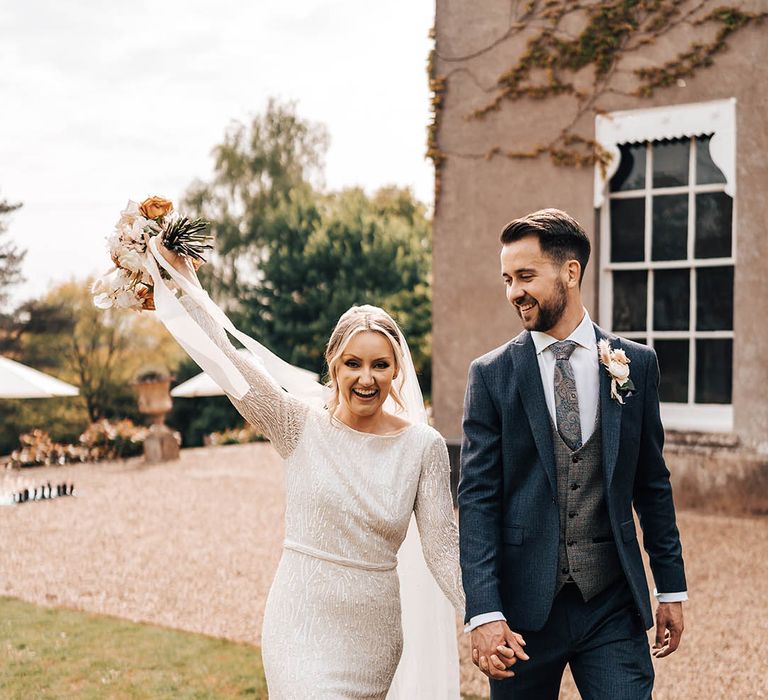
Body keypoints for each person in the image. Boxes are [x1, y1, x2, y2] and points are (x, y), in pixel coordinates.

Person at [150, 241, 465, 699]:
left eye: (380, 365)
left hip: (372, 635)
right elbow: (232, 367)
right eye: (353, 363)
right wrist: (183, 284)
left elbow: (440, 546)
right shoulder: (296, 424)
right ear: (333, 365)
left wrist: (482, 616)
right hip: (299, 624)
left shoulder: (423, 446)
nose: (366, 378)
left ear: (397, 370)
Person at [459, 208, 687, 699]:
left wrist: (670, 588)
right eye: (507, 279)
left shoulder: (636, 365)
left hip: (610, 604)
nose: (513, 291)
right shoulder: (491, 374)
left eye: (525, 276)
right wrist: (483, 611)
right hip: (521, 617)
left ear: (570, 272)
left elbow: (652, 483)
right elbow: (477, 500)